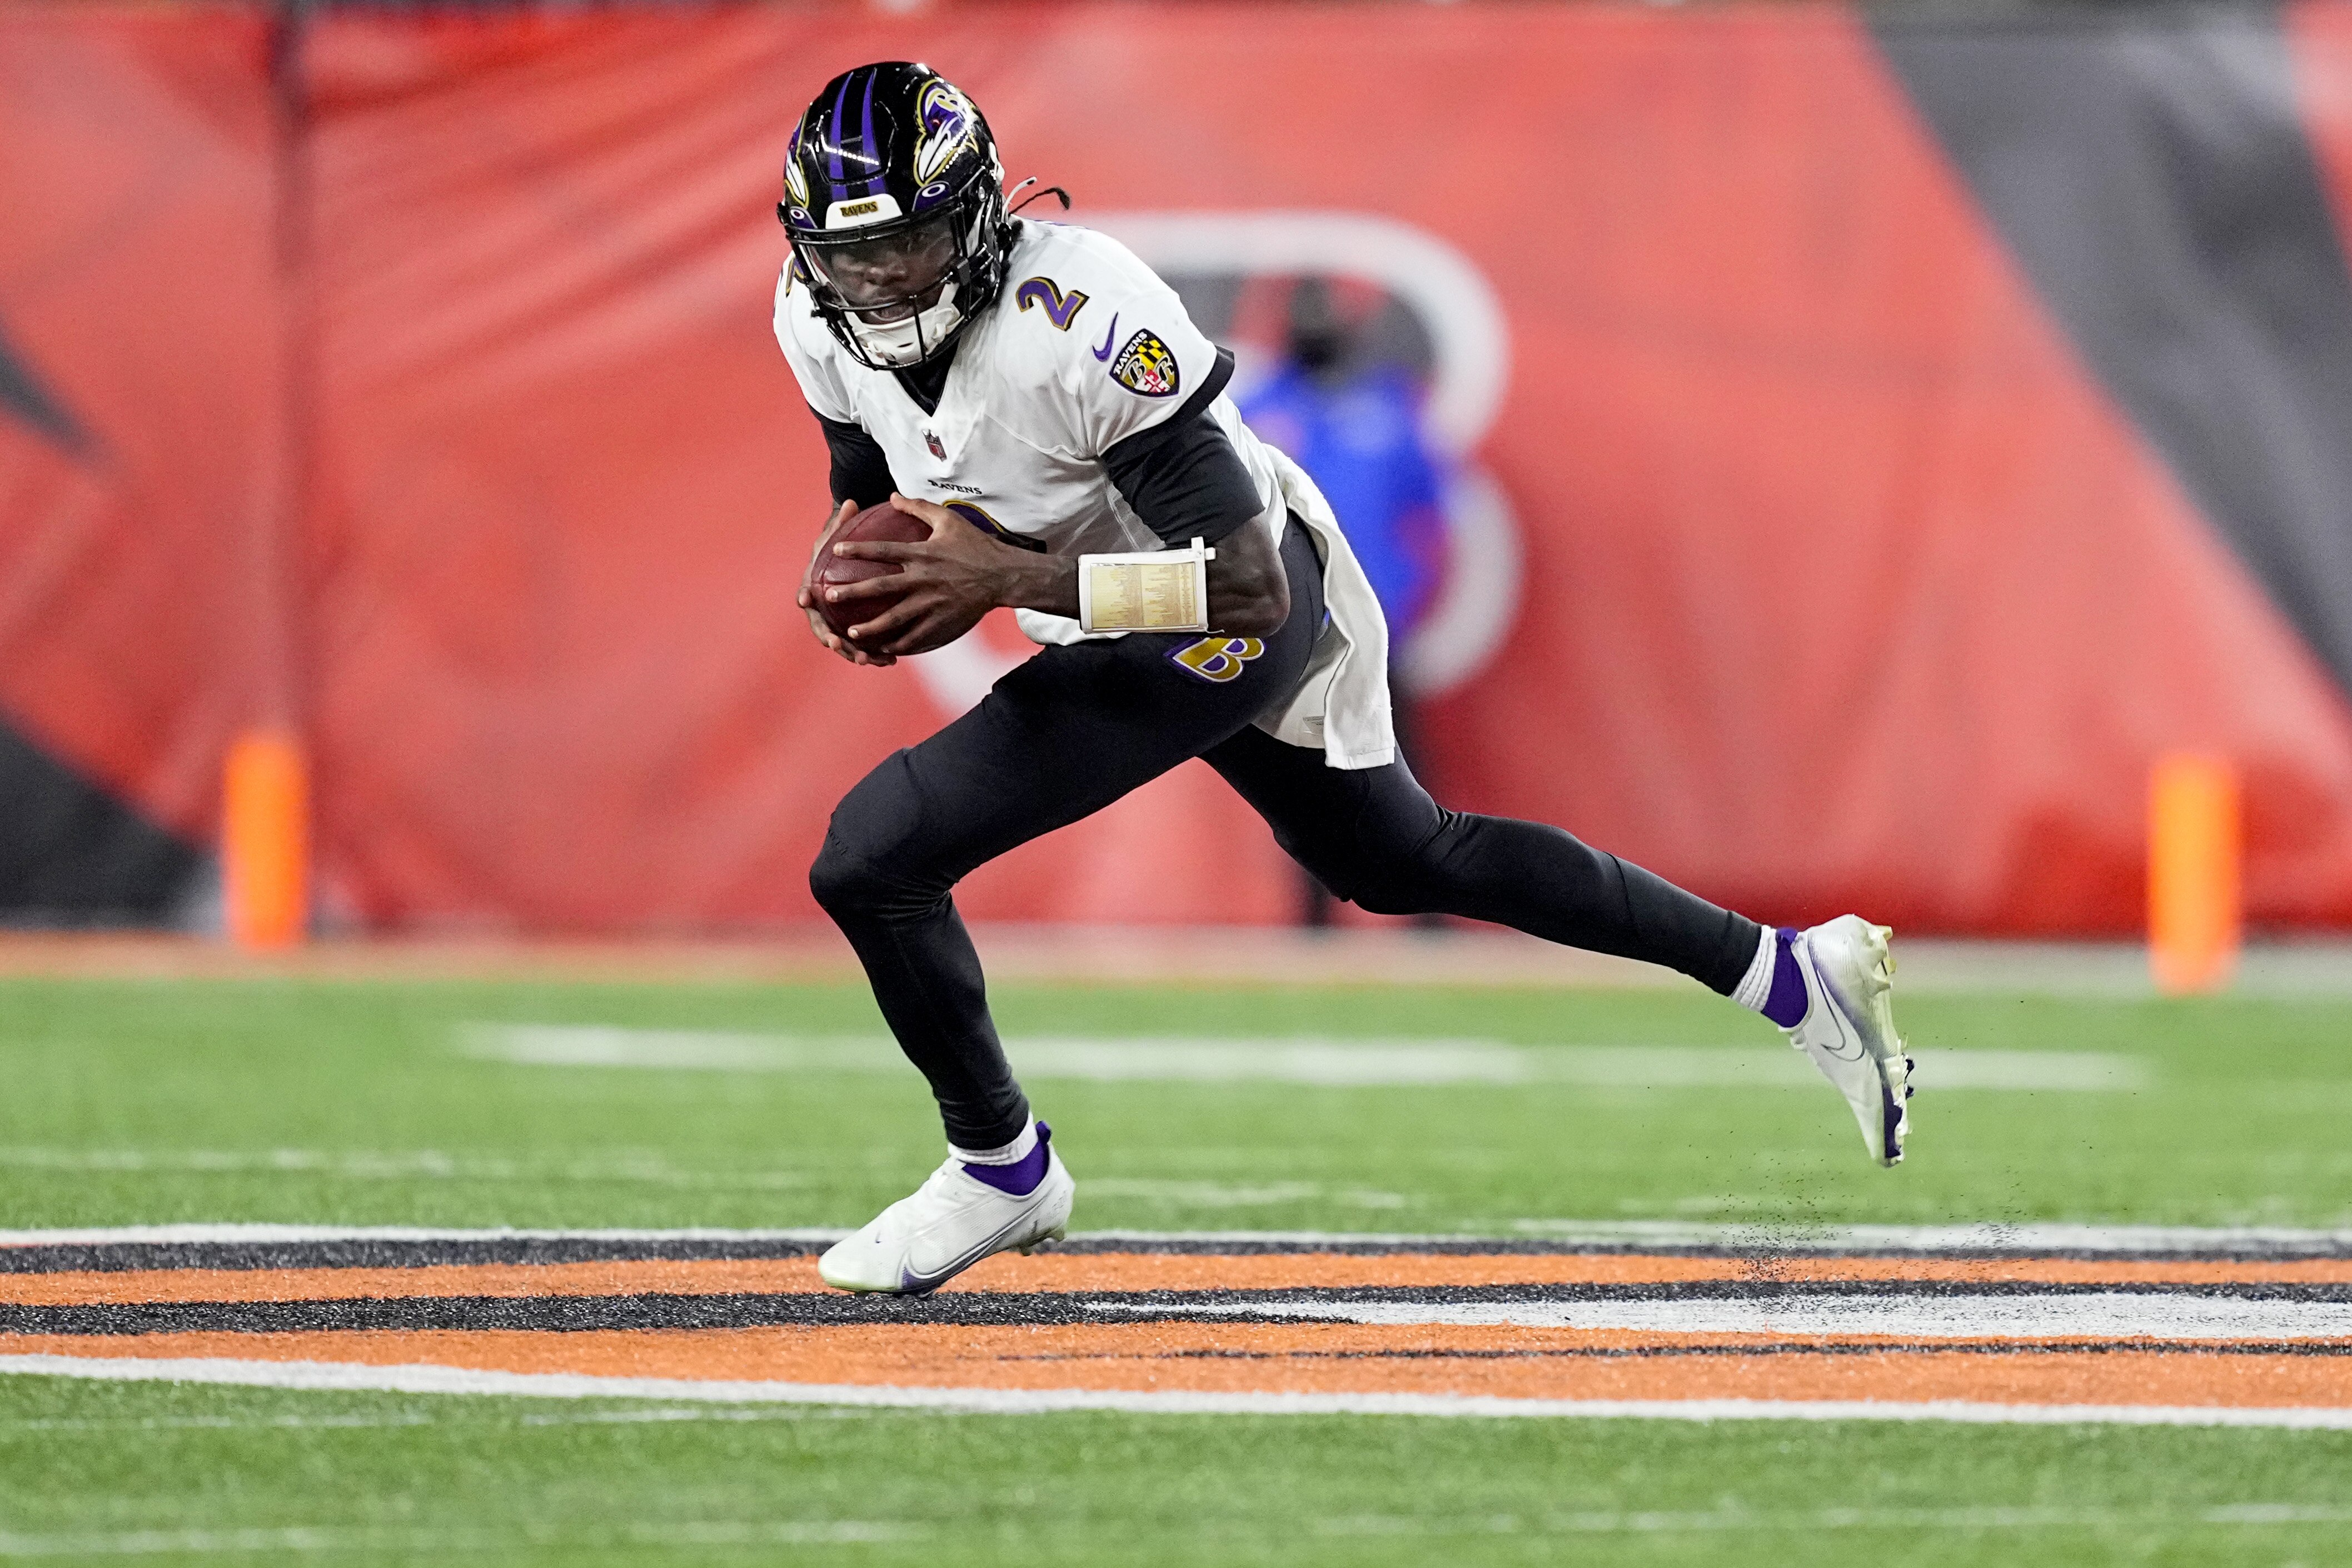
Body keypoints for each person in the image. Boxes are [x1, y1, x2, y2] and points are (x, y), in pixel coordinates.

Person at [773, 63, 1912, 1296]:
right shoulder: (813, 316)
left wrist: (1009, 579)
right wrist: (853, 580)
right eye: (855, 257)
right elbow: (871, 482)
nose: (883, 281)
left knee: (874, 856)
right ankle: (1790, 973)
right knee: (1402, 858)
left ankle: (1000, 1167)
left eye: (911, 243)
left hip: (1220, 601)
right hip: (1103, 600)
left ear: (983, 217)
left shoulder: (1081, 314)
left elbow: (1245, 584)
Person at [1240, 277, 1450, 925]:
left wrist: (1405, 596)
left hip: (1377, 622)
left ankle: (1428, 911)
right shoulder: (1259, 410)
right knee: (1305, 774)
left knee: (1402, 767)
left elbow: (1431, 515)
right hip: (1299, 625)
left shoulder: (1386, 405)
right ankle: (1315, 920)